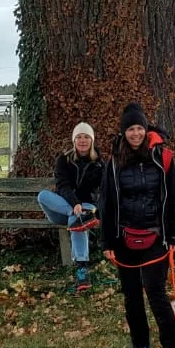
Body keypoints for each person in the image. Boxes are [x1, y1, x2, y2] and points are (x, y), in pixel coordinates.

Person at [99, 102, 175, 348]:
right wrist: (108, 240)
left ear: (146, 130)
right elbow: (106, 203)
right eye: (130, 129)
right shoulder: (114, 162)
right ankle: (140, 344)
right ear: (124, 132)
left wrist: (174, 237)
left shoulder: (163, 159)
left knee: (155, 291)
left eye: (139, 128)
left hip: (155, 236)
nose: (135, 134)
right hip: (125, 236)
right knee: (131, 294)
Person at [37, 122, 104, 291]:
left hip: (88, 206)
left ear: (92, 140)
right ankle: (80, 215)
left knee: (76, 218)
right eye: (79, 137)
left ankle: (82, 268)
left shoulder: (100, 163)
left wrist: (94, 210)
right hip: (64, 207)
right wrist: (74, 205)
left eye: (86, 137)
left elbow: (104, 190)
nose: (82, 140)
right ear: (74, 140)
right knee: (43, 196)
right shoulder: (64, 159)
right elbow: (62, 186)